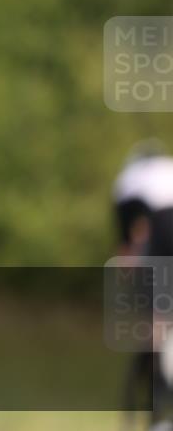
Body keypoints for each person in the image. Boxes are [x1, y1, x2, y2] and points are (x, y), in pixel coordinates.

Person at [112, 141, 173, 430]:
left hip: (164, 229)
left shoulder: (127, 180)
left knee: (157, 326)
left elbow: (129, 241)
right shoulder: (167, 169)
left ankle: (155, 410)